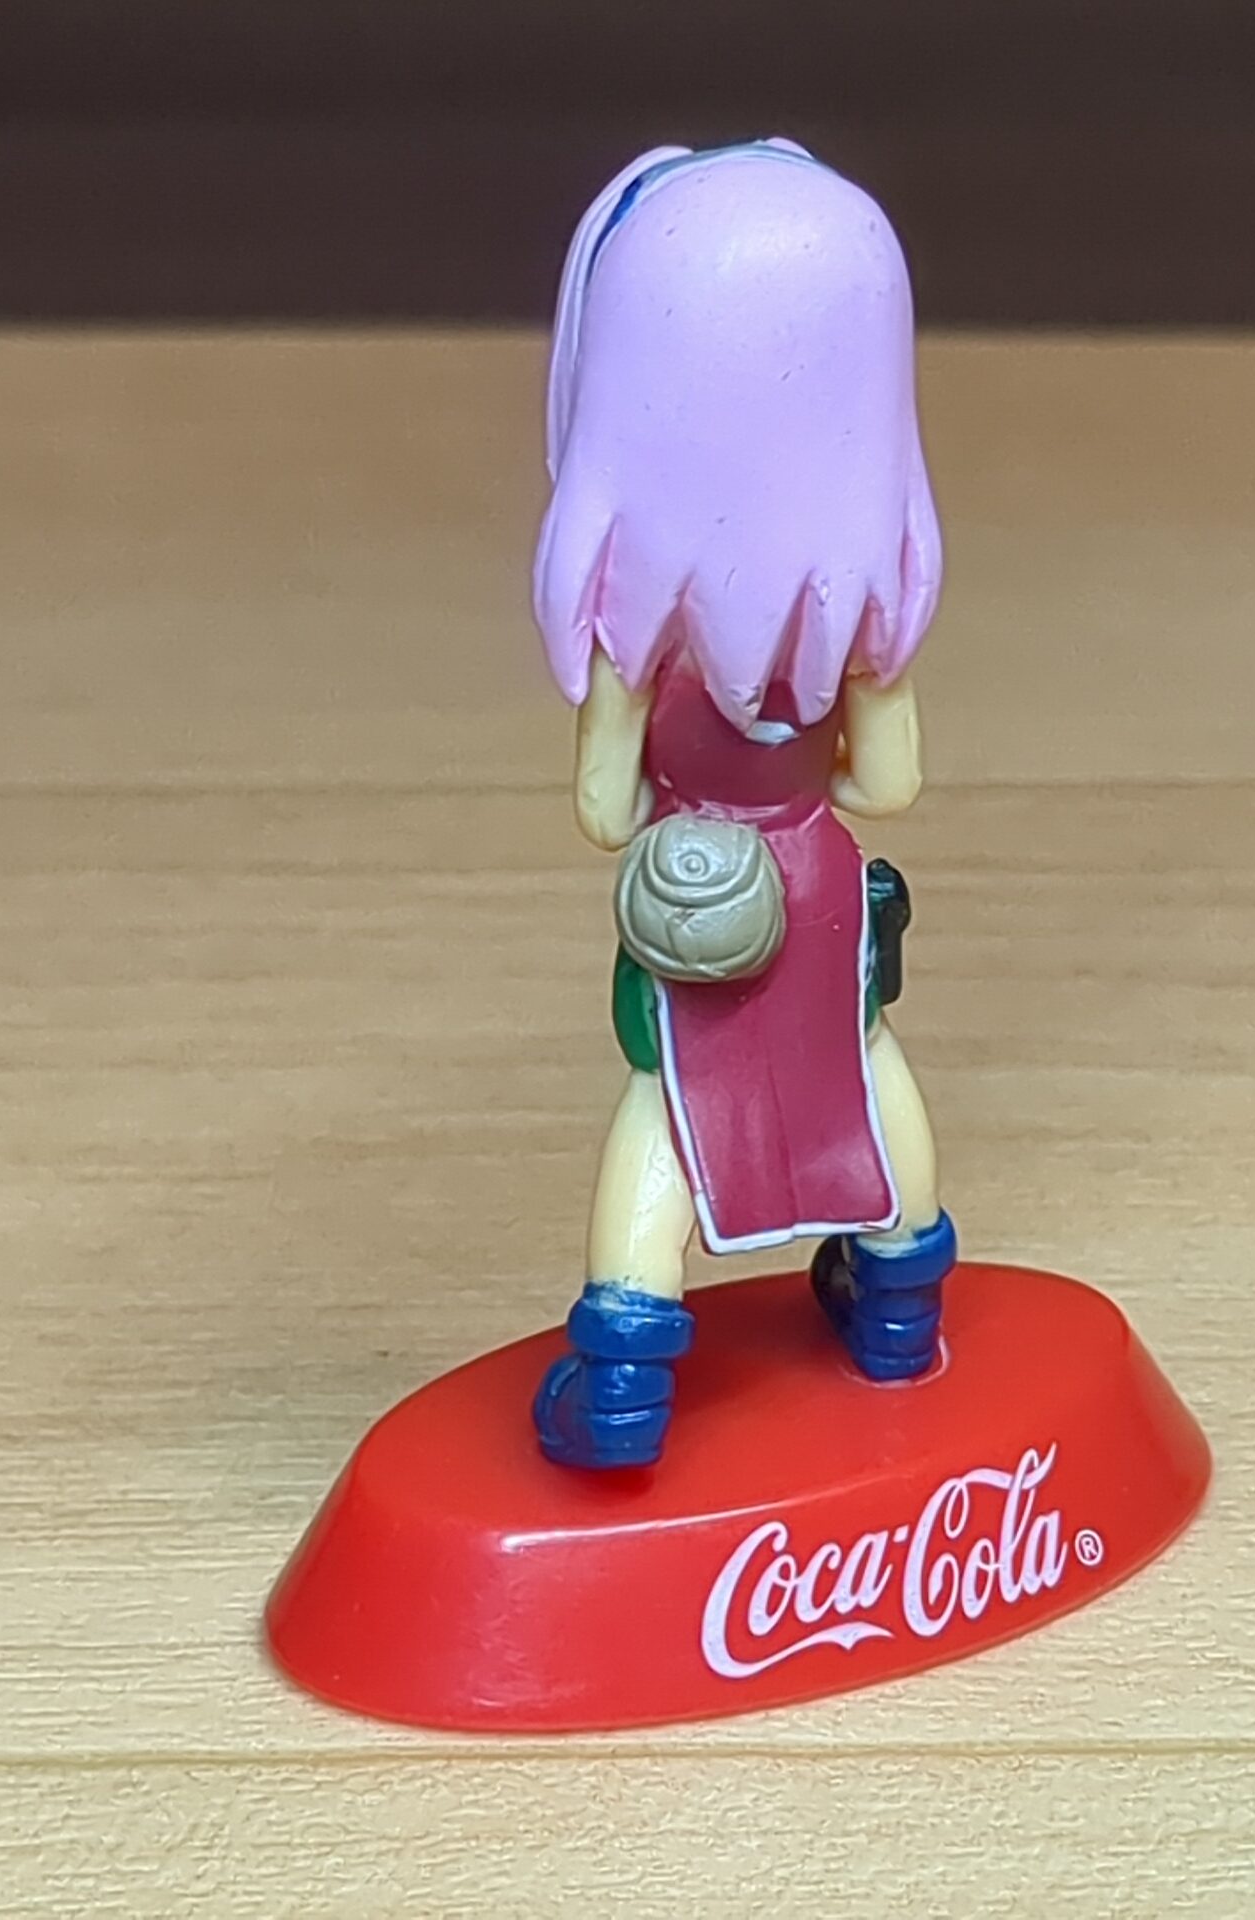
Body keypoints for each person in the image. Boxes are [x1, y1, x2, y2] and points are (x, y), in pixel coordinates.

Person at [529, 142, 955, 1469]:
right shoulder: (859, 621)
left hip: (696, 893)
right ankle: (899, 1308)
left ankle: (623, 1376)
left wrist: (688, 795)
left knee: (670, 1109)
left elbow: (605, 810)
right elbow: (889, 784)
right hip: (817, 882)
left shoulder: (636, 637)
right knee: (860, 1069)